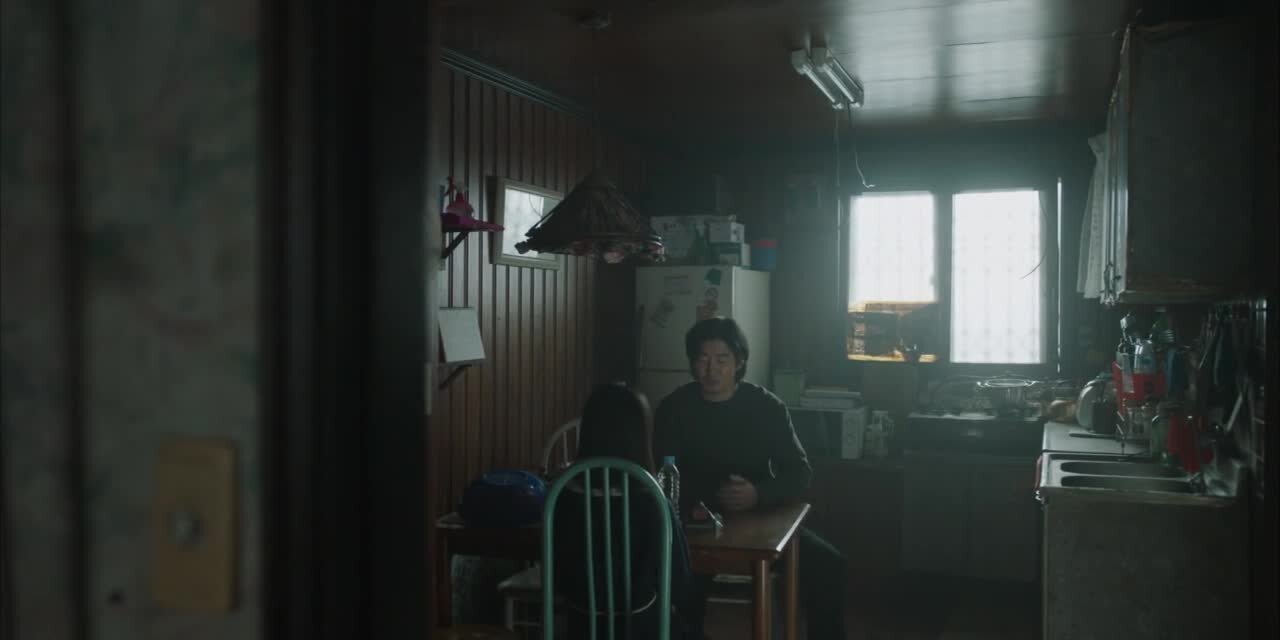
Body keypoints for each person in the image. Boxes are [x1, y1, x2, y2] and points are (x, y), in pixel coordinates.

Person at [654, 317, 848, 640]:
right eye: (703, 359)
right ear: (692, 362)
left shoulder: (766, 407)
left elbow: (800, 472)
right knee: (678, 583)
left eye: (722, 360)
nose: (711, 370)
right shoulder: (673, 408)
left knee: (829, 564)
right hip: (694, 524)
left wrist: (758, 493)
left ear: (739, 362)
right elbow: (662, 474)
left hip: (760, 520)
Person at [551, 383, 697, 639]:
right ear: (640, 437)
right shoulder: (652, 500)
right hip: (642, 629)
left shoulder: (563, 495)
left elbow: (557, 577)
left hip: (581, 627)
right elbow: (679, 581)